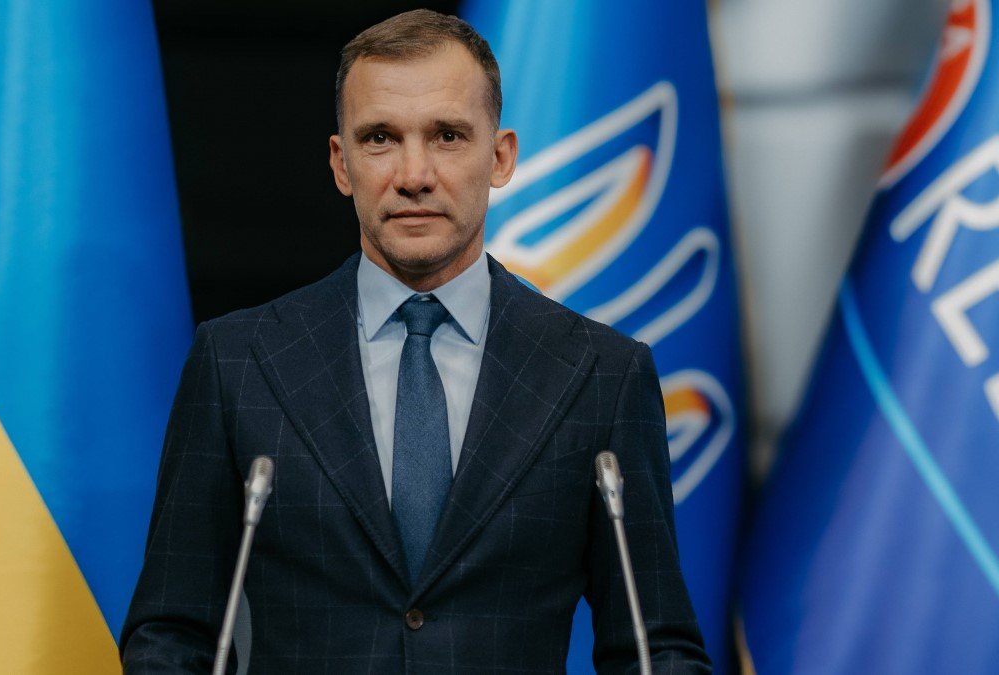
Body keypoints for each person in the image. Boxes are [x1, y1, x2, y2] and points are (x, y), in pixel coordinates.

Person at [120, 9, 710, 673]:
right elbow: (171, 634)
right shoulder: (237, 363)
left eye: (447, 136)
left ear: (501, 156)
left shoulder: (603, 375)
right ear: (341, 164)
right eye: (380, 138)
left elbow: (654, 647)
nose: (414, 174)